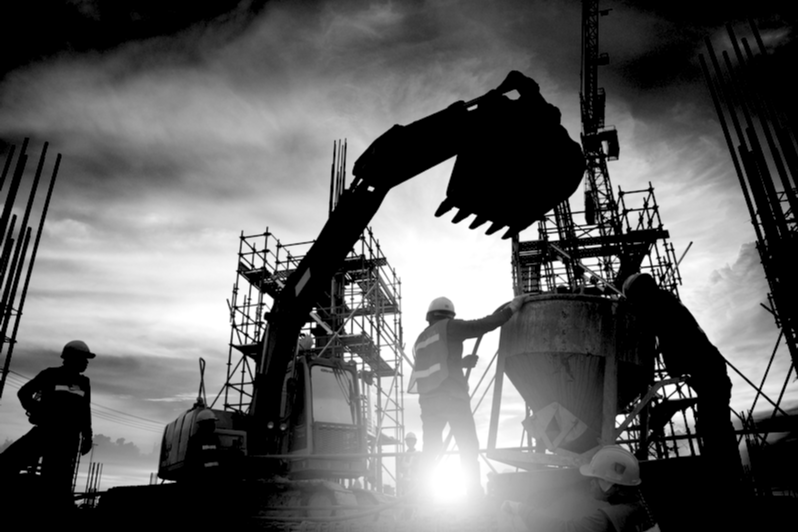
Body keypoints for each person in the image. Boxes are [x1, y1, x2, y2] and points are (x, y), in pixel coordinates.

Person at [621, 273, 742, 486]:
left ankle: (727, 478)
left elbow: (647, 326)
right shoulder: (666, 304)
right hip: (709, 372)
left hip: (710, 372)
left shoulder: (660, 305)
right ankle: (726, 476)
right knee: (713, 424)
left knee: (714, 425)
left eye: (634, 298)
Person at [408, 295, 526, 498]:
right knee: (468, 447)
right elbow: (482, 325)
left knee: (431, 450)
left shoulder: (421, 339)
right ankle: (473, 495)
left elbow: (434, 365)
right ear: (449, 316)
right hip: (452, 398)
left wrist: (460, 363)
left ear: (429, 317)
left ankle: (422, 495)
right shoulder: (449, 327)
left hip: (428, 402)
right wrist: (512, 308)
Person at [0, 340, 95, 509]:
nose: (87, 363)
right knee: (6, 464)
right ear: (72, 358)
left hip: (66, 440)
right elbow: (24, 393)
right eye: (84, 359)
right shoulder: (50, 375)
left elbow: (84, 411)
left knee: (55, 485)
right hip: (47, 433)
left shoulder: (83, 383)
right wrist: (37, 410)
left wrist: (87, 436)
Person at [502, 445, 660, 532]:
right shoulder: (638, 506)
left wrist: (522, 509)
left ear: (615, 486)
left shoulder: (610, 517)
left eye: (595, 478)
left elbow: (565, 530)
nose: (590, 482)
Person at [397, 431, 419, 495]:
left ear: (415, 442)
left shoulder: (418, 454)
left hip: (414, 480)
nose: (409, 443)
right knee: (405, 500)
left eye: (411, 441)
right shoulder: (403, 455)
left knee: (413, 499)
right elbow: (400, 469)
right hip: (405, 481)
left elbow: (419, 468)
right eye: (408, 441)